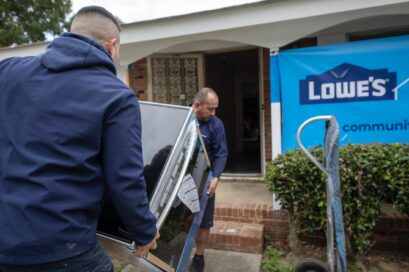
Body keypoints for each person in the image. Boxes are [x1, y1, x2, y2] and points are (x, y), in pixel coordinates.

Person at [0, 6, 159, 272]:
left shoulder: (8, 72)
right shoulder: (117, 96)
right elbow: (125, 179)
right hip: (63, 247)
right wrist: (144, 230)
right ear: (112, 45)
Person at [191, 88, 228, 272]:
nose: (214, 113)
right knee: (183, 219)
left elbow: (221, 154)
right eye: (210, 109)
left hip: (205, 180)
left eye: (215, 109)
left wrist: (216, 178)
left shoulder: (216, 125)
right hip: (181, 181)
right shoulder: (183, 121)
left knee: (204, 222)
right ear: (197, 106)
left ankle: (199, 255)